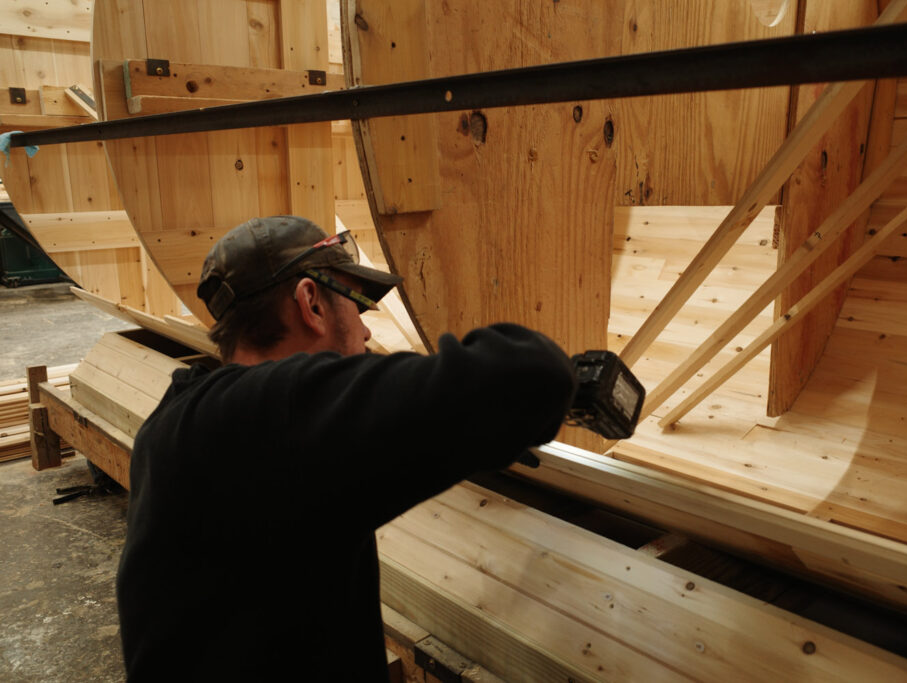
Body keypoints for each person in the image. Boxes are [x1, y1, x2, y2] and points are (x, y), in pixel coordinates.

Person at [115, 216, 577, 681]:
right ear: (311, 303)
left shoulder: (182, 415)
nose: (367, 332)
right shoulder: (273, 418)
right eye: (358, 305)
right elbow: (530, 375)